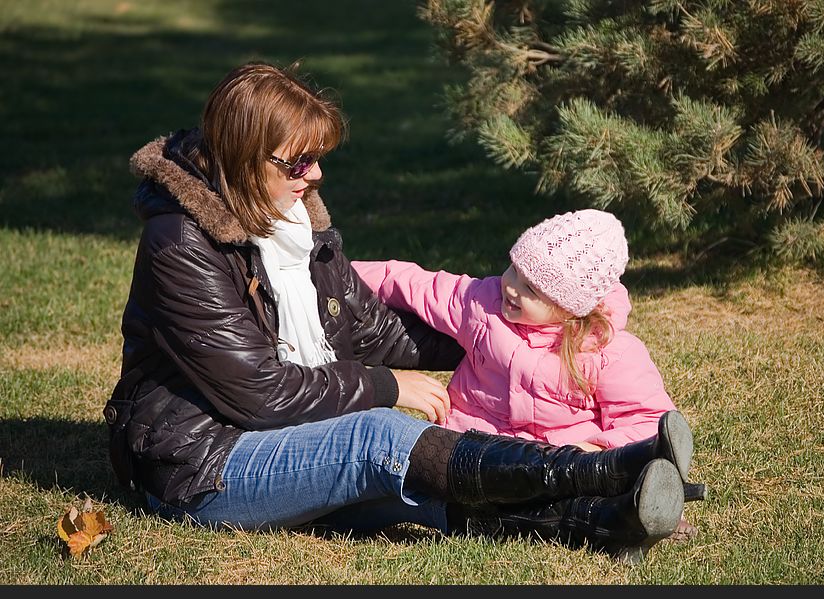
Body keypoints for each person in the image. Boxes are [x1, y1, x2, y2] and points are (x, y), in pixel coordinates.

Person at [104, 61, 686, 564]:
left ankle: (601, 521)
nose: (316, 175)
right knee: (379, 440)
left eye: (317, 159)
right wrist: (386, 387)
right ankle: (598, 471)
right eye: (299, 163)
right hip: (202, 467)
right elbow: (261, 394)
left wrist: (497, 337)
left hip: (284, 439)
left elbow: (366, 329)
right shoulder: (180, 244)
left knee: (414, 479)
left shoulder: (291, 220)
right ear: (245, 158)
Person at [352, 209, 704, 537]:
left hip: (561, 465)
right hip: (472, 452)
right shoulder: (481, 305)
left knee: (566, 495)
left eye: (530, 288)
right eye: (513, 269)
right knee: (441, 492)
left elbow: (648, 421)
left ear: (570, 310)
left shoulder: (607, 352)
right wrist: (336, 278)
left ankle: (639, 510)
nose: (511, 286)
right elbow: (409, 283)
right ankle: (629, 515)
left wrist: (590, 447)